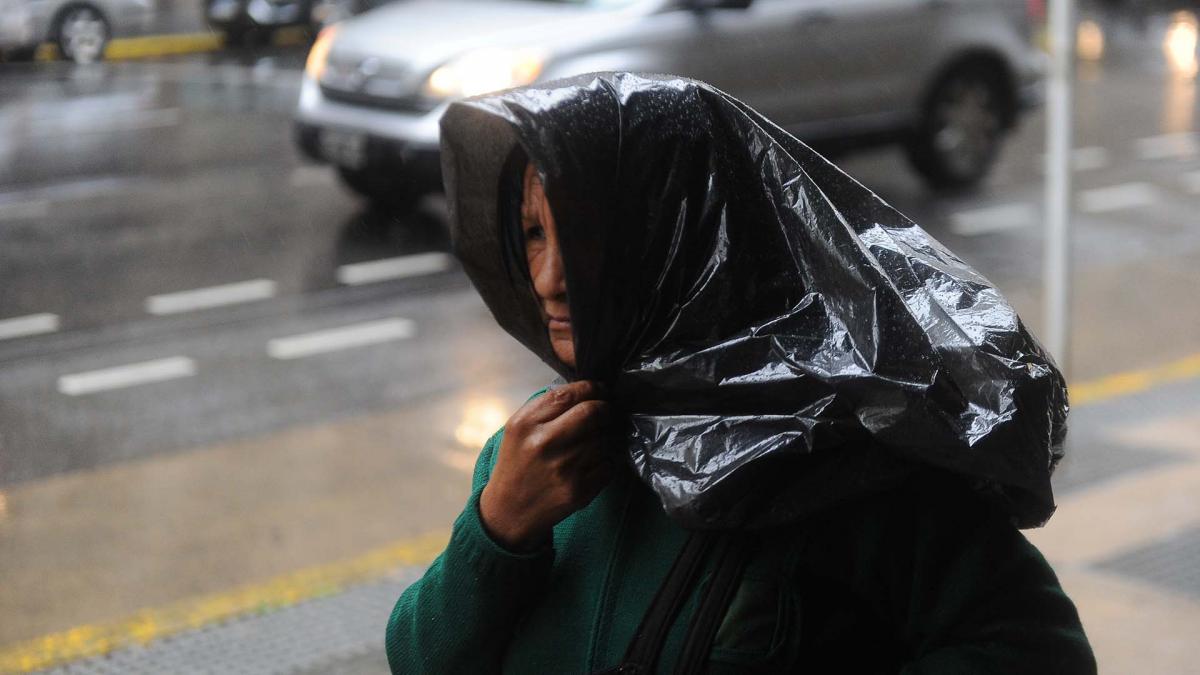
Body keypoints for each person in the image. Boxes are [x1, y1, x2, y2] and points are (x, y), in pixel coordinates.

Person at [386, 73, 1096, 674]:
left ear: (683, 236)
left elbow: (1037, 650)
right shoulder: (536, 450)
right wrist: (497, 528)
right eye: (532, 233)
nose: (547, 280)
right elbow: (417, 658)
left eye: (583, 236)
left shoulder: (845, 456)